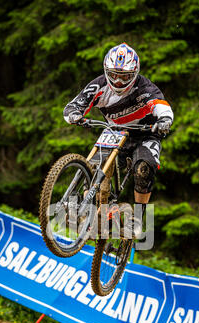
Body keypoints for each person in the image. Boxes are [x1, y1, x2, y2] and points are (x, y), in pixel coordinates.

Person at [63, 43, 174, 237]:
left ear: (135, 73)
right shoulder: (99, 85)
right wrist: (74, 115)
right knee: (94, 168)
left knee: (143, 169)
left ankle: (138, 219)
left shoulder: (145, 88)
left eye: (125, 76)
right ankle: (95, 213)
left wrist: (164, 120)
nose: (119, 81)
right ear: (106, 71)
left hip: (145, 134)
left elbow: (162, 106)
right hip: (115, 133)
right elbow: (75, 104)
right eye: (114, 75)